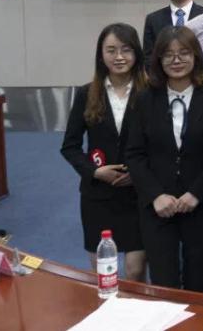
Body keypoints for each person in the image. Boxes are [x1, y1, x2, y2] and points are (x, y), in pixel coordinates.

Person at [125, 26, 203, 291]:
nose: (176, 60)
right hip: (158, 204)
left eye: (184, 53)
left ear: (196, 56)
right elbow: (134, 154)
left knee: (198, 281)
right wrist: (156, 195)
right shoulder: (145, 99)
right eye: (168, 54)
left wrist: (197, 193)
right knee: (163, 282)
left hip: (200, 203)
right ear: (158, 59)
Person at [61, 23, 148, 282]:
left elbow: (162, 145)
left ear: (136, 54)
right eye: (111, 50)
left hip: (138, 194)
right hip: (97, 195)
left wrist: (139, 173)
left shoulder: (150, 92)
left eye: (126, 50)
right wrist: (95, 172)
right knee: (103, 273)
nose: (119, 57)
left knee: (135, 272)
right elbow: (70, 146)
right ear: (101, 55)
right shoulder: (87, 93)